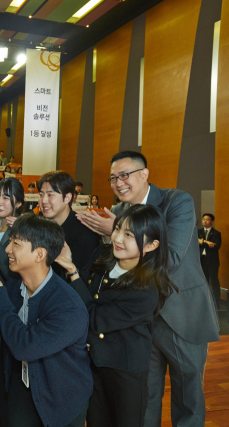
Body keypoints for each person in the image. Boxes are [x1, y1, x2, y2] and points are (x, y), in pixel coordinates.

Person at [76, 151, 219, 427]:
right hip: (137, 319)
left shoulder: (176, 201)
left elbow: (172, 258)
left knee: (188, 397)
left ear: (144, 174)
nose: (118, 183)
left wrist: (117, 232)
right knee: (145, 398)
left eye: (125, 175)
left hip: (181, 314)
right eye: (113, 178)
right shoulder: (117, 213)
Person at [56, 204, 177, 427]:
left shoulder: (146, 289)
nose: (118, 239)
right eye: (117, 229)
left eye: (129, 235)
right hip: (94, 364)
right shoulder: (104, 256)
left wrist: (72, 272)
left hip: (124, 371)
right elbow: (80, 292)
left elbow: (94, 318)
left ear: (151, 245)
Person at [0, 213, 92, 427]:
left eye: (16, 244)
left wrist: (0, 298)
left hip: (60, 399)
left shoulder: (68, 306)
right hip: (21, 388)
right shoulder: (15, 285)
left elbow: (25, 346)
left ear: (40, 254)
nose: (7, 250)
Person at [37, 171, 100, 278]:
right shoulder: (38, 226)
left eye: (50, 195)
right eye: (41, 195)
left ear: (67, 198)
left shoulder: (84, 233)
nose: (44, 201)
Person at [199, 213, 221, 308]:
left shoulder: (216, 233)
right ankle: (204, 303)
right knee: (203, 282)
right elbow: (195, 243)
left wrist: (202, 242)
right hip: (201, 260)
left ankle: (216, 303)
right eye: (203, 219)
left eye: (207, 219)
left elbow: (216, 246)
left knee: (214, 281)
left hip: (212, 261)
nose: (205, 221)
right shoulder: (198, 232)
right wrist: (207, 243)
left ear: (212, 221)